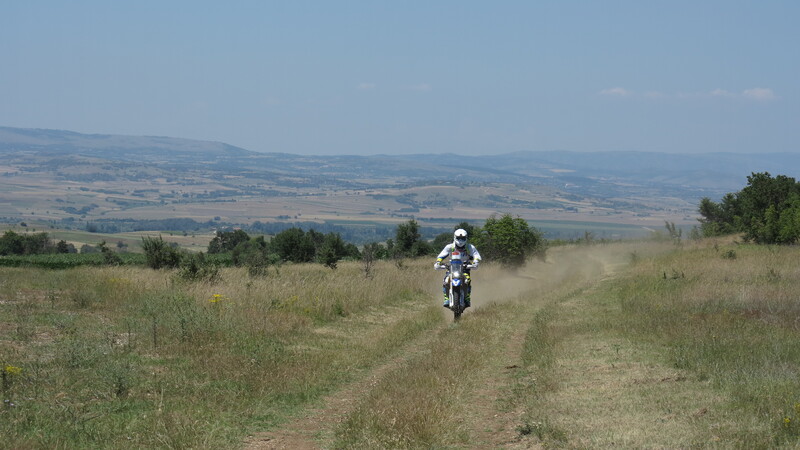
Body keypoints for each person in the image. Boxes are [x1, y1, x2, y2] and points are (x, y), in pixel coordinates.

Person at [434, 228, 481, 308]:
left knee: (467, 280)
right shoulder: (450, 247)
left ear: (466, 238)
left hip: (465, 267)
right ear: (455, 237)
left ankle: (467, 298)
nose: (460, 240)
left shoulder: (469, 247)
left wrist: (475, 262)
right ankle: (446, 298)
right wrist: (438, 262)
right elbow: (441, 255)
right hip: (452, 267)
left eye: (462, 238)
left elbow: (477, 255)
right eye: (459, 238)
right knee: (445, 280)